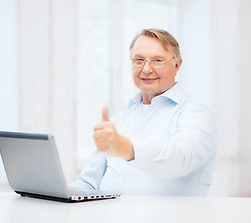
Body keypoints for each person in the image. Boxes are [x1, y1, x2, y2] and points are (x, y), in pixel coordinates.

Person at [70, 29, 218, 196]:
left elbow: (179, 159)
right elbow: (88, 182)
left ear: (177, 65)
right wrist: (56, 192)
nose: (146, 69)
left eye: (158, 60)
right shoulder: (119, 119)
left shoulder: (197, 115)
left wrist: (127, 148)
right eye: (139, 60)